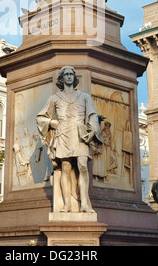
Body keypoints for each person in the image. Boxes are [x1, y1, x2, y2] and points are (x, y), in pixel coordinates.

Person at [36, 66, 102, 213]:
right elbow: (41, 117)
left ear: (74, 77)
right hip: (63, 133)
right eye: (66, 74)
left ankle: (84, 203)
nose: (69, 76)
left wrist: (92, 131)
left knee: (82, 165)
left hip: (80, 134)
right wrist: (52, 123)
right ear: (62, 78)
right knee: (65, 167)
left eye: (71, 74)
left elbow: (92, 115)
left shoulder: (85, 96)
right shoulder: (54, 98)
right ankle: (67, 204)